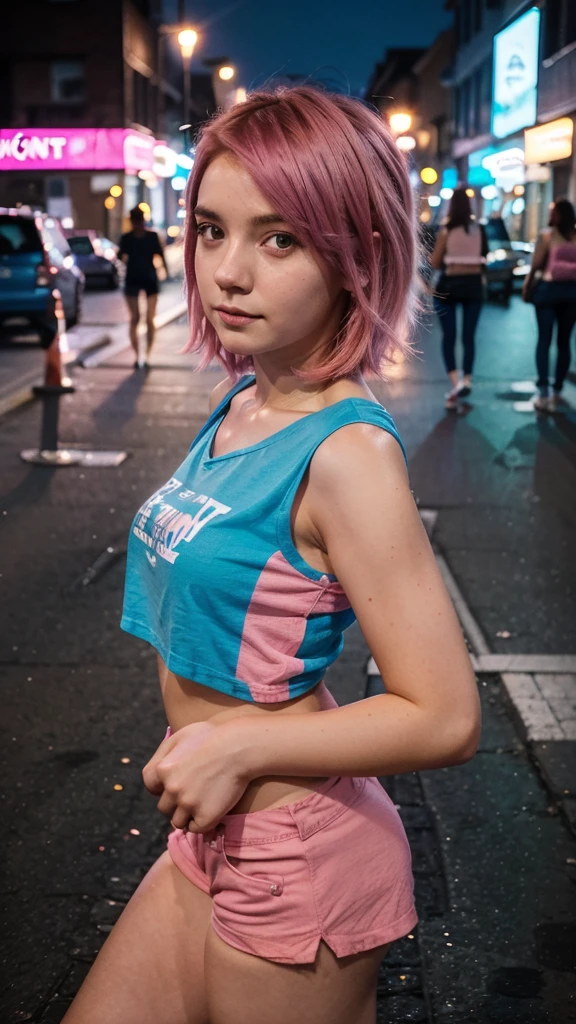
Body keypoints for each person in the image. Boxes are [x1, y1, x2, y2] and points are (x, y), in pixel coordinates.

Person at [62, 87, 480, 1024]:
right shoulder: (247, 398)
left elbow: (445, 715)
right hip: (210, 833)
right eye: (212, 229)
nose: (228, 272)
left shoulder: (348, 454)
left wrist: (243, 743)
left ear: (357, 254)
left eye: (280, 238)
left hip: (298, 857)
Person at [430, 188, 488, 410]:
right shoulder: (479, 230)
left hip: (450, 287)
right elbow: (485, 257)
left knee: (449, 336)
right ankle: (467, 379)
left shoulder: (446, 231)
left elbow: (435, 263)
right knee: (469, 336)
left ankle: (455, 384)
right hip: (473, 286)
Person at [522, 197, 576, 412]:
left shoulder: (546, 236)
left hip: (548, 292)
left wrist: (527, 286)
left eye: (553, 211)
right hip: (572, 294)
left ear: (558, 214)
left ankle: (543, 388)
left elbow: (536, 265)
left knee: (544, 340)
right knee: (564, 342)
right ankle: (558, 387)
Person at [118, 206, 170, 369]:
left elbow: (120, 256)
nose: (138, 224)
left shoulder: (132, 238)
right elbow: (161, 256)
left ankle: (144, 356)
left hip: (143, 278)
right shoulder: (146, 237)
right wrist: (165, 272)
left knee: (145, 319)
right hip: (141, 278)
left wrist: (166, 271)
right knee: (139, 319)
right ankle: (141, 356)